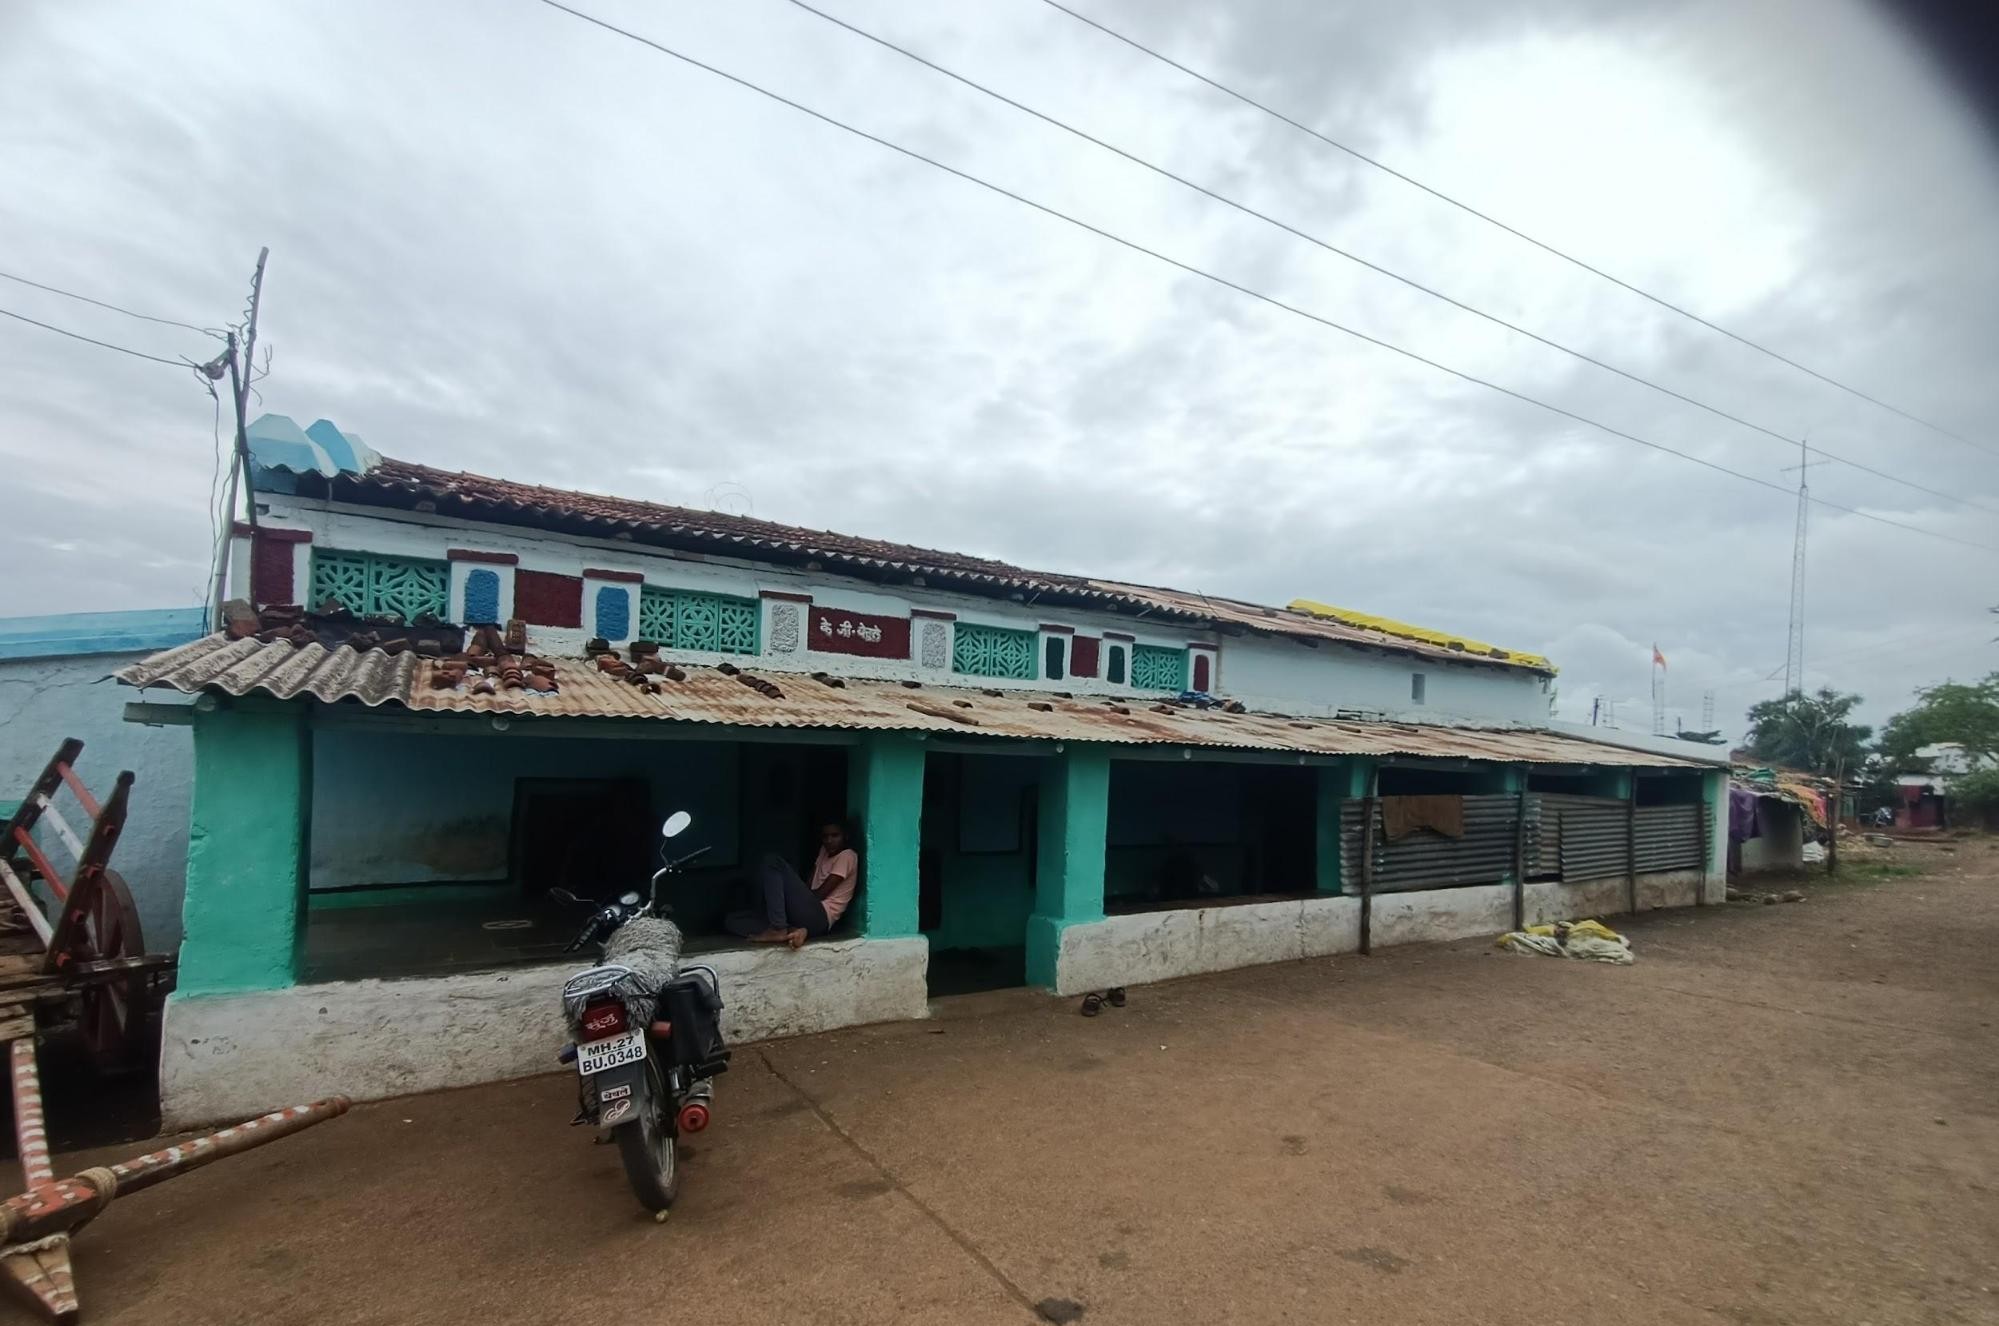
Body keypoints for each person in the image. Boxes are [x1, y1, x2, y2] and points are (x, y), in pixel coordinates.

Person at [723, 820, 860, 949]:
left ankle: (778, 929)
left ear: (845, 836)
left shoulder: (847, 856)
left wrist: (787, 895)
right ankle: (794, 931)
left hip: (820, 917)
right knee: (732, 920)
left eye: (835, 835)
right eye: (825, 837)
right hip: (806, 915)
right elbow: (808, 885)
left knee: (772, 861)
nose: (829, 841)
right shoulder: (824, 851)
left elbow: (819, 895)